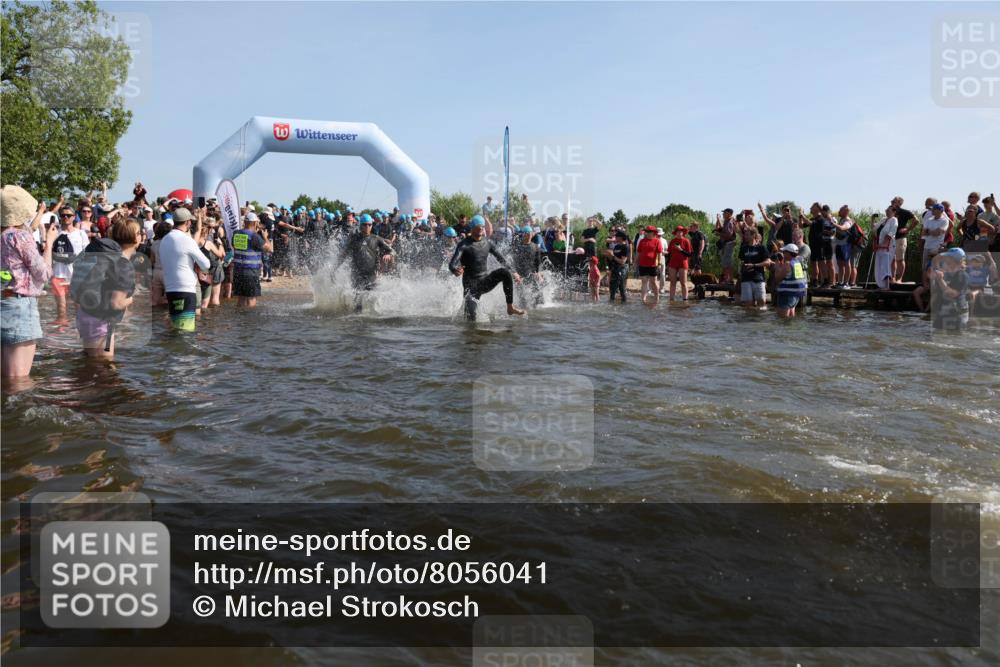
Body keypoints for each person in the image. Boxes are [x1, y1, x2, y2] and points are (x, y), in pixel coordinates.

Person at [1, 189, 58, 379]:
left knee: (5, 376)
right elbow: (43, 273)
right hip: (18, 306)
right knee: (18, 380)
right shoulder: (20, 237)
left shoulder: (4, 236)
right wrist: (49, 244)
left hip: (3, 301)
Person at [73, 220, 139, 358]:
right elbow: (116, 303)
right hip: (101, 321)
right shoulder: (123, 264)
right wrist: (132, 298)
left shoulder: (108, 257)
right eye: (140, 233)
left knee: (90, 364)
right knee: (105, 369)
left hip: (85, 314)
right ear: (136, 237)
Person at [448, 215, 524, 320]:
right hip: (471, 287)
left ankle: (510, 307)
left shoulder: (488, 242)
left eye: (482, 228)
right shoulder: (464, 245)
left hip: (484, 281)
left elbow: (501, 258)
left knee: (505, 273)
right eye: (478, 228)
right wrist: (454, 270)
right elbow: (452, 263)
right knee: (470, 320)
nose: (481, 230)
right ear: (472, 228)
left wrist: (514, 272)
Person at [158, 207, 210, 332]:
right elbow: (206, 264)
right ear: (187, 222)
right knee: (185, 332)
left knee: (175, 328)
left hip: (170, 289)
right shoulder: (186, 240)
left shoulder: (164, 239)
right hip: (185, 290)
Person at [334, 213, 395, 307]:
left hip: (372, 274)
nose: (367, 227)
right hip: (356, 274)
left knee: (373, 301)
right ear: (360, 225)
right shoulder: (354, 239)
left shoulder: (376, 238)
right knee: (358, 303)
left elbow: (391, 250)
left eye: (369, 225)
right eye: (365, 224)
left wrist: (388, 254)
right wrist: (335, 268)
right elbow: (343, 255)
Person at [51, 205, 89, 321]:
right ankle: (62, 336)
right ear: (60, 217)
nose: (66, 217)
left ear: (74, 217)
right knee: (61, 311)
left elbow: (87, 254)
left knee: (79, 310)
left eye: (69, 215)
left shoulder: (81, 233)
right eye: (63, 215)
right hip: (58, 275)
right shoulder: (55, 233)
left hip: (76, 275)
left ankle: (76, 336)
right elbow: (48, 252)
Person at [232, 212, 272, 308]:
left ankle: (240, 320)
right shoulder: (254, 236)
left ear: (245, 222)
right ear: (254, 223)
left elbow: (234, 246)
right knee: (251, 299)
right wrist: (265, 237)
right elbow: (269, 249)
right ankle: (249, 321)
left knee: (240, 298)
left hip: (238, 271)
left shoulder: (236, 234)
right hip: (251, 272)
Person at [929, 247, 970, 332]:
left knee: (954, 340)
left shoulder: (962, 275)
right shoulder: (946, 273)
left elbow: (952, 294)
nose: (945, 259)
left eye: (948, 258)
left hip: (957, 315)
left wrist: (940, 280)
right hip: (943, 312)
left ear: (955, 260)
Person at [738, 228, 771, 308]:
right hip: (746, 279)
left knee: (762, 302)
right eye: (745, 234)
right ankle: (750, 320)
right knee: (747, 303)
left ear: (753, 235)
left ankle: (760, 320)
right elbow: (740, 261)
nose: (745, 236)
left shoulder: (761, 248)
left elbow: (768, 262)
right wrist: (741, 269)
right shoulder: (743, 248)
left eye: (747, 234)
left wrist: (754, 265)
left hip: (758, 278)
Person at [511, 225, 543, 308]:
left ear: (532, 235)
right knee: (522, 300)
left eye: (530, 234)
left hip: (530, 274)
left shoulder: (535, 247)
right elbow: (512, 262)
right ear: (523, 235)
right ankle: (522, 310)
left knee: (538, 295)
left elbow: (538, 262)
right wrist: (515, 274)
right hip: (519, 275)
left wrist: (538, 273)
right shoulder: (517, 247)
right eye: (527, 234)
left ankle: (538, 310)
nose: (529, 236)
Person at [773, 243, 807, 318]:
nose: (783, 254)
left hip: (787, 295)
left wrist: (777, 267)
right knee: (791, 318)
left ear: (789, 253)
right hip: (796, 295)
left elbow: (777, 279)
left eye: (784, 252)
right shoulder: (797, 262)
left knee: (782, 320)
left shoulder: (788, 264)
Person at [891, 196, 915, 282]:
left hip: (900, 238)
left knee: (900, 259)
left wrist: (907, 229)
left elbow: (916, 220)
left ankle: (899, 279)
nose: (892, 201)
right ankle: (892, 278)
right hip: (891, 239)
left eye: (895, 200)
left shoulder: (904, 212)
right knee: (892, 259)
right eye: (892, 200)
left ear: (900, 203)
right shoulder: (891, 211)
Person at [635, 225, 661, 306]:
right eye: (647, 232)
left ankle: (657, 298)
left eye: (650, 232)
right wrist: (635, 262)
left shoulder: (657, 241)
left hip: (653, 265)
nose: (648, 233)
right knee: (644, 282)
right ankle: (643, 299)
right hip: (643, 264)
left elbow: (659, 253)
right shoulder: (642, 241)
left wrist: (659, 264)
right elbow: (638, 253)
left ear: (654, 233)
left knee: (654, 282)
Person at [666, 225, 692, 301]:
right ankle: (671, 299)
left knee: (683, 283)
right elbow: (669, 254)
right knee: (672, 282)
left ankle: (685, 300)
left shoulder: (686, 241)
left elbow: (689, 254)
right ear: (675, 233)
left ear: (683, 233)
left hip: (683, 263)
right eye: (677, 232)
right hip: (672, 263)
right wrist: (667, 264)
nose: (679, 233)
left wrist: (680, 249)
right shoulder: (672, 241)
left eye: (680, 231)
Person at [874, 206, 898, 290]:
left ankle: (886, 286)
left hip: (888, 246)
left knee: (886, 265)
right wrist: (872, 219)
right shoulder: (883, 219)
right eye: (886, 210)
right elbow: (874, 228)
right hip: (879, 246)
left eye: (888, 210)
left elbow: (891, 233)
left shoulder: (894, 220)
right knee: (879, 265)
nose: (886, 211)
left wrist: (883, 245)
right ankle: (881, 285)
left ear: (893, 212)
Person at [831, 206, 855, 287]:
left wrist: (834, 224)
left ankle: (846, 282)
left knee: (846, 263)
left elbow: (843, 228)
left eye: (840, 210)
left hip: (845, 245)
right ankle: (840, 282)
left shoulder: (848, 221)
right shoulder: (841, 219)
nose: (839, 211)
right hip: (839, 244)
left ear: (845, 212)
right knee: (840, 264)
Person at [604, 230, 630, 304]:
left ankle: (616, 302)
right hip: (615, 268)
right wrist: (608, 255)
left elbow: (623, 261)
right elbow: (613, 258)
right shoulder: (617, 246)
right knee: (615, 286)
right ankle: (616, 302)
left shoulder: (625, 247)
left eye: (616, 236)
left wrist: (612, 256)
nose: (615, 238)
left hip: (622, 268)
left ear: (621, 237)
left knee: (618, 286)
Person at [714, 209, 737, 283]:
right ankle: (726, 279)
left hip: (728, 243)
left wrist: (719, 234)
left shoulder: (730, 221)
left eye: (725, 212)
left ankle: (729, 279)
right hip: (725, 244)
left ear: (729, 213)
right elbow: (721, 229)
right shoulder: (727, 221)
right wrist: (718, 219)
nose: (723, 214)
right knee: (725, 262)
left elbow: (729, 235)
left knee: (727, 263)